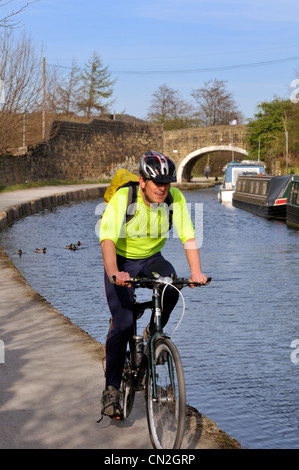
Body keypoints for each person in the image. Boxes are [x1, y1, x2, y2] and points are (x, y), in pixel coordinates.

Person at [99, 151, 207, 418]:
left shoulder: (174, 199)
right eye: (156, 182)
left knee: (171, 286)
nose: (162, 188)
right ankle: (111, 388)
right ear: (142, 181)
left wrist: (196, 272)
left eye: (167, 183)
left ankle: (152, 334)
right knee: (122, 324)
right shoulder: (125, 198)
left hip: (152, 259)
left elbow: (188, 237)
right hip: (121, 261)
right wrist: (115, 272)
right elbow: (108, 239)